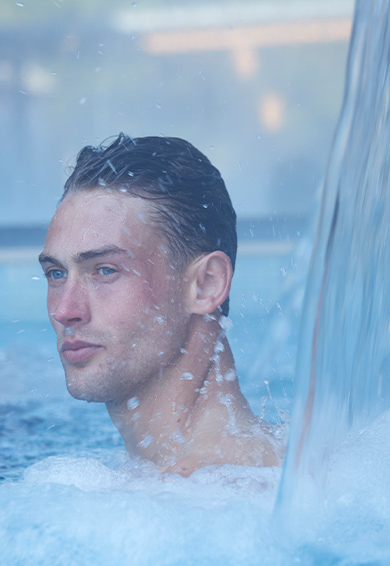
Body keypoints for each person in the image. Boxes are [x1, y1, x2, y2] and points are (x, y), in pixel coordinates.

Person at [39, 134, 283, 475]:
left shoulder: (221, 495)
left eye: (105, 270)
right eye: (56, 273)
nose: (64, 310)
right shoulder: (159, 482)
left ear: (206, 284)